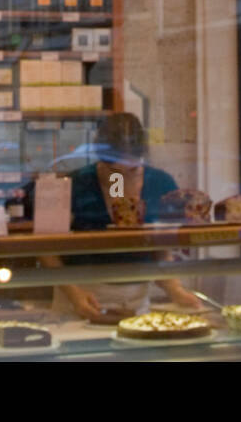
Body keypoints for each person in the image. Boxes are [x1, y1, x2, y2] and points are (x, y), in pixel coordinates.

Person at [35, 112, 202, 320]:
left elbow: (162, 251)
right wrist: (73, 293)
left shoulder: (161, 184)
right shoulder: (73, 184)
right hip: (78, 298)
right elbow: (45, 249)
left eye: (132, 170)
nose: (120, 178)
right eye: (114, 170)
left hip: (135, 301)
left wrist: (175, 289)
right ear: (100, 158)